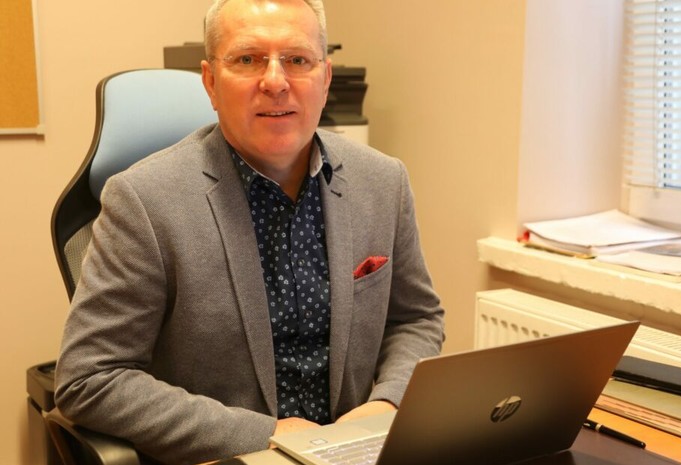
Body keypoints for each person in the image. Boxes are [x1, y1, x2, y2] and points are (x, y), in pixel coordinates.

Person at [53, 0, 445, 463]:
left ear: (325, 79)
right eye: (247, 59)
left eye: (297, 59)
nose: (275, 81)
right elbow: (90, 378)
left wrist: (388, 403)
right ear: (210, 82)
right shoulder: (143, 201)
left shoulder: (383, 181)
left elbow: (415, 319)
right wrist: (265, 434)